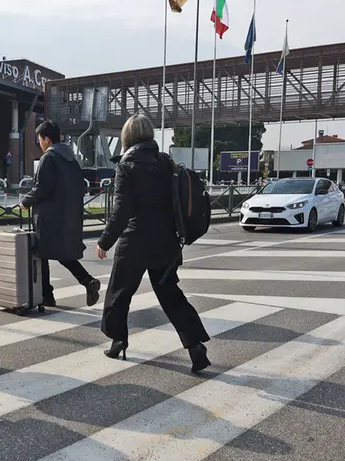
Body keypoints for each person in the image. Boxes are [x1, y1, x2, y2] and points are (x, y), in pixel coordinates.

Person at [95, 113, 211, 373]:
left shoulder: (126, 166)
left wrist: (105, 241)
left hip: (135, 242)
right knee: (171, 295)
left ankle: (119, 340)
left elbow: (122, 211)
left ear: (127, 137)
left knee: (119, 292)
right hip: (166, 243)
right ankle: (195, 345)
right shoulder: (166, 163)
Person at [20, 120, 101, 307]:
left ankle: (48, 295)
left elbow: (42, 187)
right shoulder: (71, 159)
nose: (39, 143)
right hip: (68, 215)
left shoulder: (48, 158)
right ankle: (87, 281)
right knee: (62, 254)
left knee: (43, 254)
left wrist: (25, 202)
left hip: (49, 216)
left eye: (39, 139)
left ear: (47, 139)